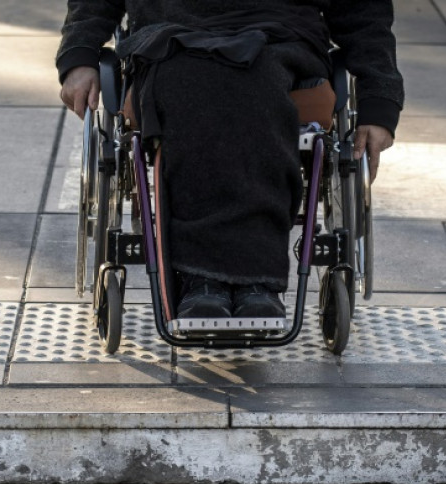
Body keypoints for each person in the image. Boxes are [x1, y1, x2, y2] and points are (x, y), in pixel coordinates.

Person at [57, 0, 403, 319]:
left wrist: (379, 100)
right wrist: (79, 55)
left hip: (278, 36)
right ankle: (201, 277)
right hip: (171, 38)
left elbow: (362, 10)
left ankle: (253, 280)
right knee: (189, 85)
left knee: (256, 85)